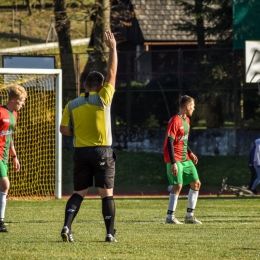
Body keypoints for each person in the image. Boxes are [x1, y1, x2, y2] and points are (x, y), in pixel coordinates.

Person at [59, 30, 118, 242]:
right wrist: (113, 48)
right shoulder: (103, 100)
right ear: (101, 87)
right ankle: (110, 233)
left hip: (80, 152)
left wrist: (79, 131)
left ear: (84, 85)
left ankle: (66, 227)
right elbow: (111, 73)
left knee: (78, 193)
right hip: (103, 151)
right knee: (106, 193)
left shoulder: (72, 104)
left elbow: (63, 129)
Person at [163, 95, 202, 225]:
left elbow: (183, 140)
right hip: (175, 159)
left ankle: (189, 216)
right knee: (177, 186)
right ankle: (170, 217)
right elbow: (170, 142)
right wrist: (173, 162)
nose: (194, 109)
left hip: (185, 158)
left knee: (196, 183)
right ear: (186, 107)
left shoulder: (187, 121)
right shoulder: (175, 121)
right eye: (192, 106)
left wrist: (190, 153)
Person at [0, 85, 27, 232]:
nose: (23, 104)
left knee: (2, 187)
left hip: (4, 156)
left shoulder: (14, 114)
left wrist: (14, 156)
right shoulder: (0, 112)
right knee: (5, 185)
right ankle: (0, 222)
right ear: (13, 99)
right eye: (21, 101)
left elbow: (9, 137)